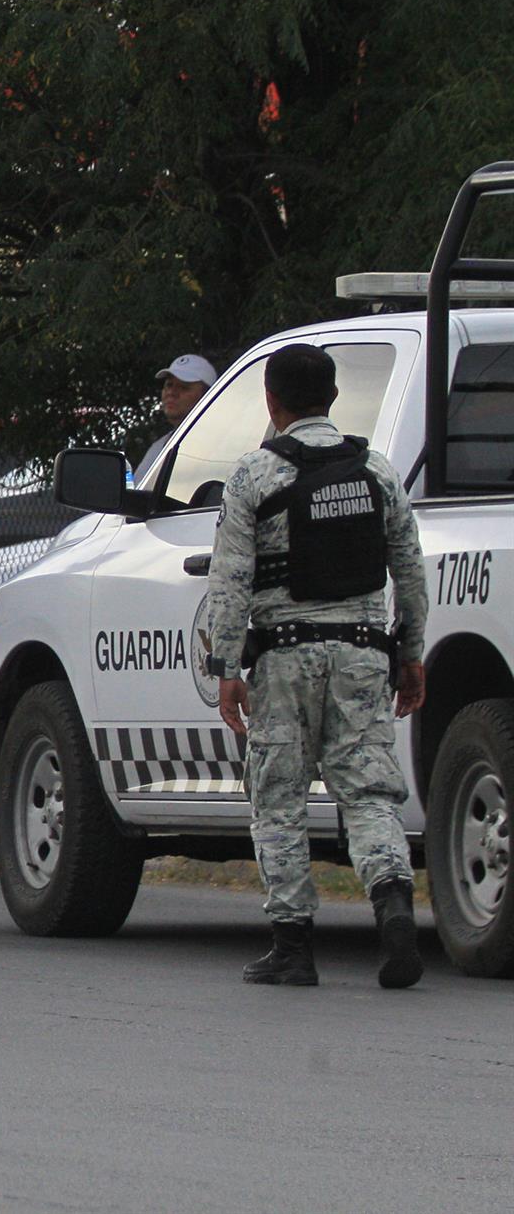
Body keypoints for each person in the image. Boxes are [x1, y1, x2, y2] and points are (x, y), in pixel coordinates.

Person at [205, 342, 429, 989]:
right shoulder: (378, 472)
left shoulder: (254, 477)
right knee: (368, 793)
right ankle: (392, 910)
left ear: (271, 403)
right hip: (363, 652)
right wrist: (409, 652)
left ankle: (293, 946)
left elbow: (230, 580)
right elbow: (409, 570)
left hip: (284, 657)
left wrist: (226, 667)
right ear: (332, 398)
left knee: (278, 796)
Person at [135, 352, 219, 480]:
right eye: (169, 385)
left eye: (184, 387)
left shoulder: (220, 444)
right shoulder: (158, 447)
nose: (171, 393)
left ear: (207, 396)